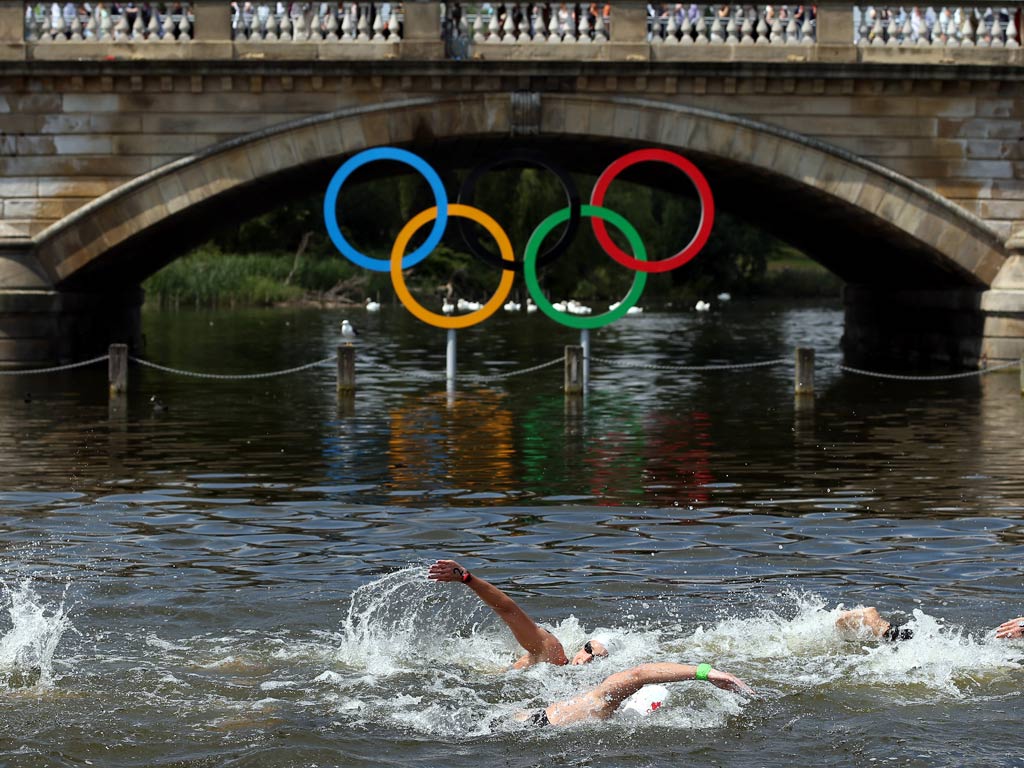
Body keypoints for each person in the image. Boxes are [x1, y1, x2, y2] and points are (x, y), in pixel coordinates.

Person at [428, 559, 610, 667]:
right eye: (589, 649)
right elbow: (508, 611)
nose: (586, 659)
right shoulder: (553, 652)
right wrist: (467, 578)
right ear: (582, 645)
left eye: (596, 659)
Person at [519, 661, 753, 727]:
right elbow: (639, 674)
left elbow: (639, 674)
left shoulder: (592, 704)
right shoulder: (596, 703)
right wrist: (705, 673)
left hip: (529, 722)